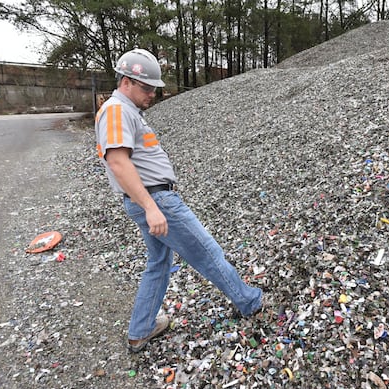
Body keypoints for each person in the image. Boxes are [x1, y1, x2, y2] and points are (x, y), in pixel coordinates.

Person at [94, 48, 263, 352]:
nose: (152, 94)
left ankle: (141, 329)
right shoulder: (116, 110)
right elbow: (119, 163)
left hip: (153, 199)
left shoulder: (126, 111)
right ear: (126, 82)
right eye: (146, 88)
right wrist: (151, 207)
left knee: (159, 262)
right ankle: (250, 301)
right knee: (207, 252)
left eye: (154, 89)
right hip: (156, 200)